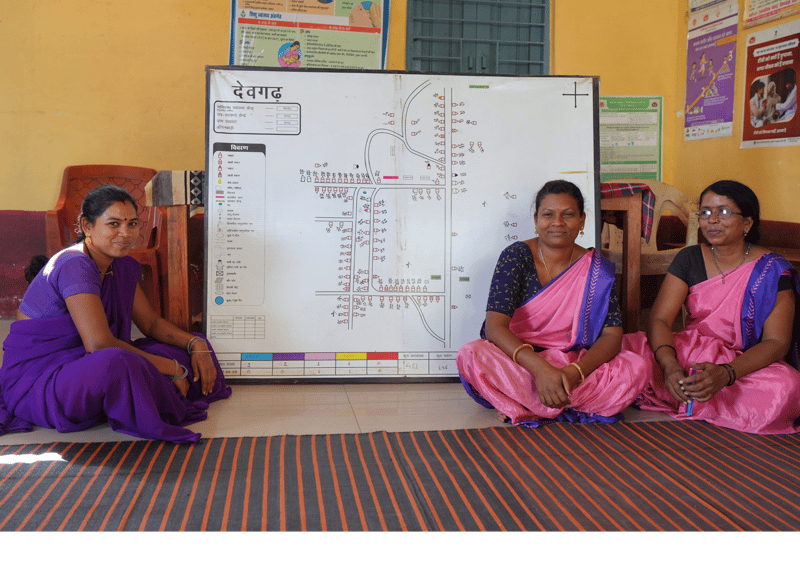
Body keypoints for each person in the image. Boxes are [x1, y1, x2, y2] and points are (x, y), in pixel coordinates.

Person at [0, 185, 232, 443]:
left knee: (184, 348)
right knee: (115, 363)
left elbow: (152, 323)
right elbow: (99, 344)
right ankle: (145, 392)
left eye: (132, 223)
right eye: (114, 224)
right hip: (40, 382)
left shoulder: (118, 265)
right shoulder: (74, 264)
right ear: (87, 226)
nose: (125, 233)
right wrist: (172, 369)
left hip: (84, 364)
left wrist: (195, 343)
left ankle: (134, 394)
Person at [457, 180, 649, 427]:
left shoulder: (597, 268)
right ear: (536, 220)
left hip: (575, 364)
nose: (557, 222)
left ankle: (523, 402)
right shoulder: (516, 257)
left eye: (568, 214)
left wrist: (574, 372)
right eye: (548, 215)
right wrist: (541, 370)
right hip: (521, 362)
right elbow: (495, 328)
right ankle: (556, 401)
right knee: (471, 355)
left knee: (638, 367)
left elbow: (612, 335)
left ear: (581, 221)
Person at [622, 180, 800, 434]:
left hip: (743, 364)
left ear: (747, 223)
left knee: (788, 387)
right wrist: (670, 366)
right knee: (627, 352)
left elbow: (776, 342)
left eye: (723, 212)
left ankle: (696, 397)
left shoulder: (772, 269)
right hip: (692, 354)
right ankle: (698, 393)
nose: (712, 220)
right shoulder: (690, 257)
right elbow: (660, 318)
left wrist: (726, 374)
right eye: (705, 212)